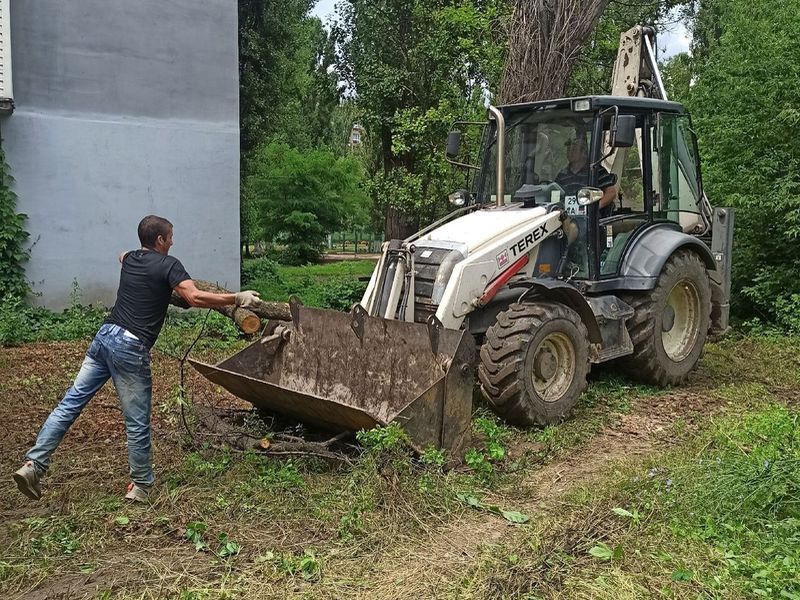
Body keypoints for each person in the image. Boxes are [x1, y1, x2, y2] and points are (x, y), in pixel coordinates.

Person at [12, 215, 261, 502]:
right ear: (159, 240)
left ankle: (33, 464)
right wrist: (237, 298)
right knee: (137, 420)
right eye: (170, 237)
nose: (173, 241)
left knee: (69, 404)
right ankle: (140, 486)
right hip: (130, 346)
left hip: (104, 338)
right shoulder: (169, 264)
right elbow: (193, 297)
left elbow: (121, 255)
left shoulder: (131, 258)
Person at [556, 135, 617, 217]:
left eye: (573, 149)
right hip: (566, 217)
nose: (569, 152)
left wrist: (594, 208)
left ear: (583, 153)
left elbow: (611, 193)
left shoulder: (596, 171)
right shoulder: (562, 174)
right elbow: (555, 193)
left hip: (589, 219)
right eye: (568, 149)